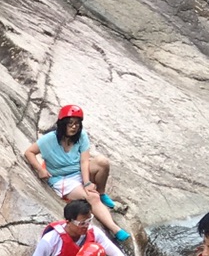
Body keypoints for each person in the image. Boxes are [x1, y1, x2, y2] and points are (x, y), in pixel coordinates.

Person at [23, 104, 131, 245]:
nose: (74, 127)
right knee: (92, 196)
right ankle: (116, 230)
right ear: (63, 124)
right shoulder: (49, 139)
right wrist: (40, 169)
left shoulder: (81, 136)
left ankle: (102, 194)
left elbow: (84, 161)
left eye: (77, 124)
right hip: (62, 179)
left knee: (102, 162)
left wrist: (86, 182)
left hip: (78, 172)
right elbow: (29, 152)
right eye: (70, 123)